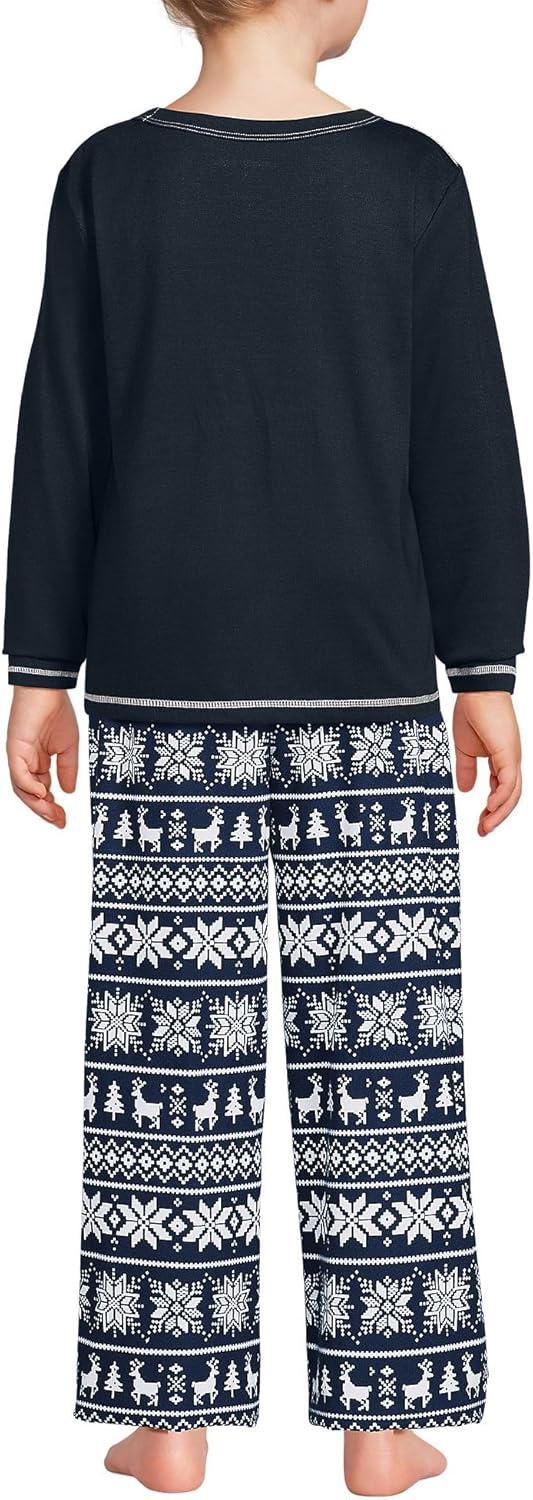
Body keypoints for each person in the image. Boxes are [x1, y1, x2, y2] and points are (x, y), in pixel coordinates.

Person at [4, 0, 528, 1494]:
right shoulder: (412, 180)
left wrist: (39, 670)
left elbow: (60, 440)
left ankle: (169, 1425)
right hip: (368, 700)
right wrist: (482, 667)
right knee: (388, 1059)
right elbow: (464, 441)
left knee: (165, 1063)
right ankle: (384, 1426)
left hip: (166, 706)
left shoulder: (108, 176)